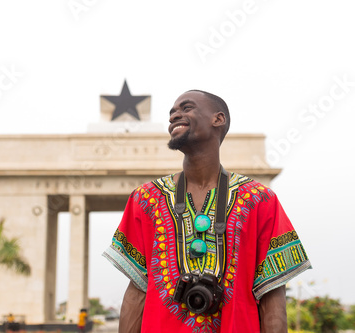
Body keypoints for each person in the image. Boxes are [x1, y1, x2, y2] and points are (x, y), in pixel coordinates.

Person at [102, 90, 312, 332]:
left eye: (186, 108)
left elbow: (271, 298)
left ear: (218, 119)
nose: (174, 116)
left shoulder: (260, 200)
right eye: (171, 113)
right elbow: (137, 291)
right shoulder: (146, 199)